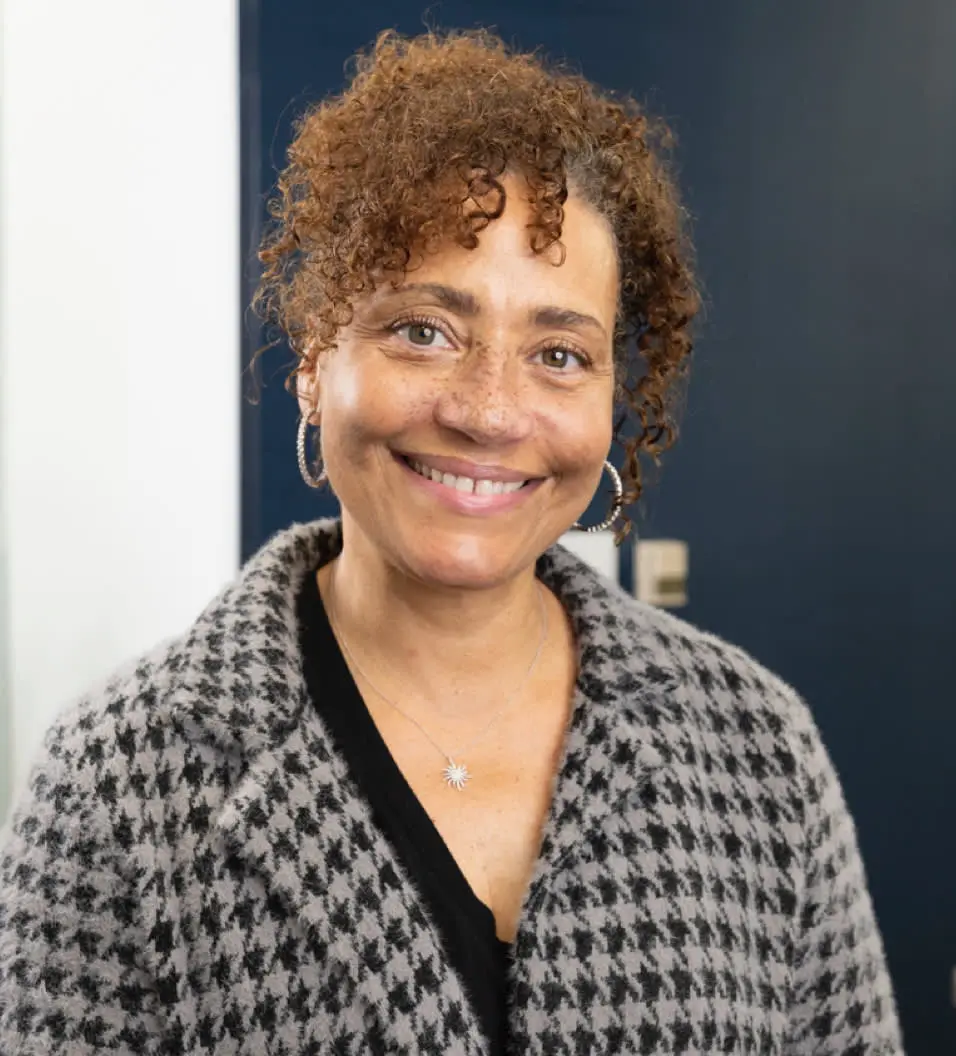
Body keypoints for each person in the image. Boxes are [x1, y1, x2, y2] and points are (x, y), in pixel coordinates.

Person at [0, 28, 903, 1056]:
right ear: (313, 364)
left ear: (614, 397)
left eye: (558, 353)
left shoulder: (757, 748)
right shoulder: (115, 780)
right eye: (423, 330)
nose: (488, 412)